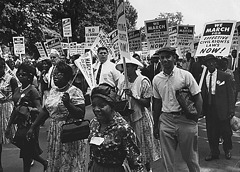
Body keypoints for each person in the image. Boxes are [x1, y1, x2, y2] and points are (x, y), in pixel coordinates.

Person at [27, 61, 87, 172]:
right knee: (57, 159)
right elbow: (45, 111)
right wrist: (33, 126)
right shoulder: (53, 91)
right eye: (54, 74)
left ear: (67, 76)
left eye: (59, 74)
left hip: (69, 131)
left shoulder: (75, 91)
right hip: (55, 130)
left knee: (69, 159)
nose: (55, 76)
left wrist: (68, 104)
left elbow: (80, 114)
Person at [152, 47, 203, 172]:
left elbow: (198, 98)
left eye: (168, 57)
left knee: (190, 157)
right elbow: (157, 103)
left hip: (185, 120)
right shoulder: (157, 79)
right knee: (167, 159)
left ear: (174, 58)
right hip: (166, 120)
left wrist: (195, 119)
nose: (165, 60)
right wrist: (156, 124)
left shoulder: (185, 76)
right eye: (162, 57)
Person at [116, 57, 161, 172]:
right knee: (129, 147)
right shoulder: (122, 82)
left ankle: (148, 169)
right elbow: (118, 98)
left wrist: (133, 96)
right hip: (127, 118)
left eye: (128, 67)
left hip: (140, 118)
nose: (126, 69)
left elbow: (146, 102)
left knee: (143, 146)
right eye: (124, 67)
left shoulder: (143, 81)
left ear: (135, 67)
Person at [88, 83, 143, 172]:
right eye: (94, 106)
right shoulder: (94, 123)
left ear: (111, 106)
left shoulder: (122, 128)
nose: (96, 109)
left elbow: (135, 161)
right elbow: (92, 153)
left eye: (102, 106)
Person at [5, 62, 47, 172]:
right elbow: (16, 108)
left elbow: (40, 110)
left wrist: (32, 126)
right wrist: (9, 125)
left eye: (24, 74)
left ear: (29, 77)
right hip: (20, 123)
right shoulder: (18, 89)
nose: (20, 76)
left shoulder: (33, 90)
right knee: (24, 148)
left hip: (30, 123)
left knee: (26, 152)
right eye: (19, 74)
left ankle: (32, 167)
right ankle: (43, 162)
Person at [201, 54, 235, 161]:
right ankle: (214, 152)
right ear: (206, 64)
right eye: (208, 62)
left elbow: (231, 94)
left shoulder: (225, 76)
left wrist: (231, 110)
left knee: (226, 132)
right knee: (211, 132)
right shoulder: (203, 77)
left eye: (213, 62)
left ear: (216, 63)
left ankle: (227, 150)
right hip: (210, 109)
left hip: (223, 109)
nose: (211, 64)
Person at [0, 57, 18, 171]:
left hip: (8, 108)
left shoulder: (11, 79)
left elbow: (17, 95)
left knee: (15, 136)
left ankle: (30, 155)